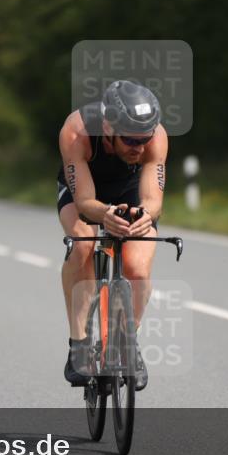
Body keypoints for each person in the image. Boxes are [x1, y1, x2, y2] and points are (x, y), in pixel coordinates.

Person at [57, 80, 168, 391]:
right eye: (132, 140)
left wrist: (145, 216)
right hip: (85, 187)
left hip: (130, 189)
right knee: (83, 246)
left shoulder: (154, 137)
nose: (140, 147)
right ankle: (79, 344)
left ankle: (127, 343)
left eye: (145, 139)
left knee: (137, 268)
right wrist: (104, 215)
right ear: (108, 129)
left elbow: (152, 199)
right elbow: (84, 203)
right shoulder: (77, 131)